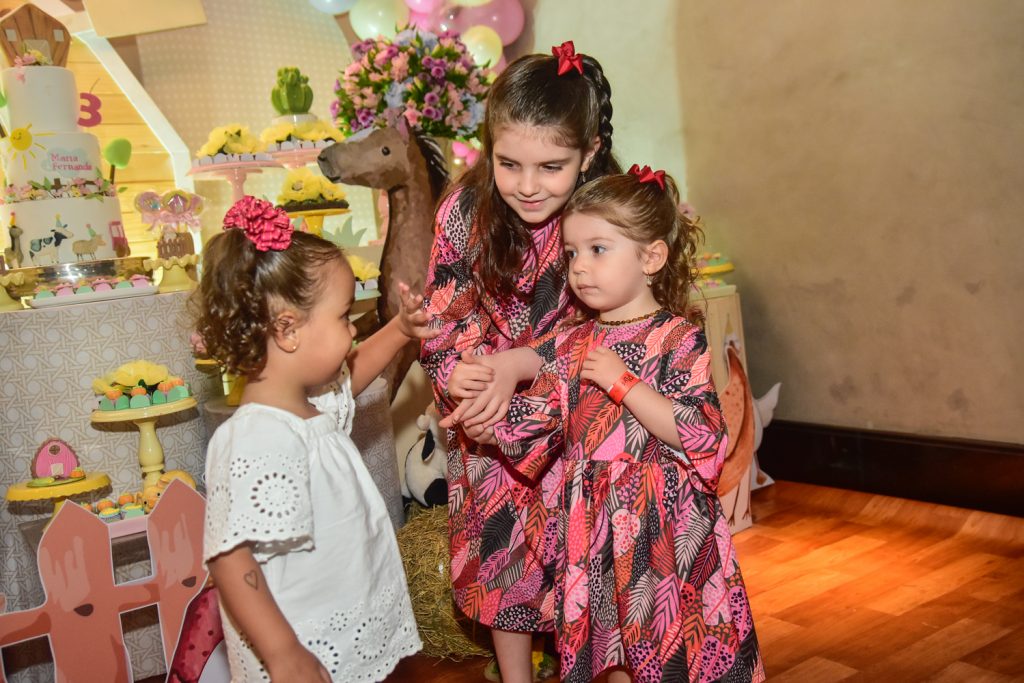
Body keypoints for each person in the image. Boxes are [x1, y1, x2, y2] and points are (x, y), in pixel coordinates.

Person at [485, 168, 765, 682]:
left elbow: (702, 436)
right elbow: (542, 416)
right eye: (571, 253)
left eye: (598, 249)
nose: (580, 268)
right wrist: (487, 419)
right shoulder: (572, 341)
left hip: (663, 521)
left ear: (651, 257)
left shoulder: (678, 337)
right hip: (592, 523)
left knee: (664, 646)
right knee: (609, 649)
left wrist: (625, 384)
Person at [419, 41, 621, 683]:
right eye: (509, 164)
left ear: (588, 153)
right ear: (488, 149)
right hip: (491, 426)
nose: (527, 186)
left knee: (584, 556)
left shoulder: (611, 215)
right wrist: (460, 378)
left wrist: (523, 363)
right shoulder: (466, 210)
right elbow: (442, 318)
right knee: (505, 558)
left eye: (551, 166)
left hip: (583, 414)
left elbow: (621, 328)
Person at [194, 196, 434, 682]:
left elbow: (354, 373)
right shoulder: (256, 436)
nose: (352, 329)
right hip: (300, 641)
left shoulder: (311, 407)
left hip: (341, 621)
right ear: (287, 331)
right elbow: (228, 557)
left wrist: (402, 329)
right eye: (345, 317)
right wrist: (284, 653)